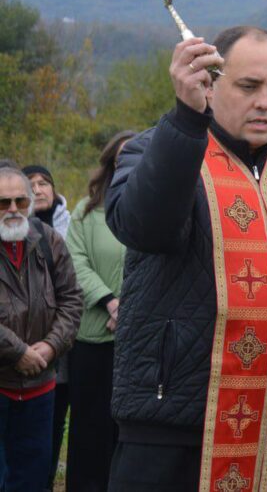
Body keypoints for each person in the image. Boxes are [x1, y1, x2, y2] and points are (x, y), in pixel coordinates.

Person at [105, 27, 267, 491]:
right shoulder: (159, 147)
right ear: (210, 83)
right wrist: (186, 122)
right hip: (175, 420)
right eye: (248, 86)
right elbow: (144, 227)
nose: (264, 102)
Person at [0, 167, 83, 491]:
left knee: (32, 480)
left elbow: (72, 299)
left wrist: (50, 346)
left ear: (31, 203)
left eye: (20, 201)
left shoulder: (49, 241)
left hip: (40, 388)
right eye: (3, 202)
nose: (13, 209)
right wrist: (18, 352)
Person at [64, 130, 136, 491]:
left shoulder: (154, 212)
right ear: (110, 163)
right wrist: (110, 301)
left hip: (136, 339)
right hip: (93, 336)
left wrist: (129, 309)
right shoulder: (85, 211)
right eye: (121, 156)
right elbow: (75, 262)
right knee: (88, 426)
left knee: (127, 430)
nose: (127, 163)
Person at [21, 163, 72, 491]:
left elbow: (72, 292)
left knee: (53, 421)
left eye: (44, 183)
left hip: (61, 344)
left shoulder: (72, 227)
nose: (39, 189)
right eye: (31, 183)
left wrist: (54, 341)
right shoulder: (13, 229)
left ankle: (47, 479)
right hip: (17, 345)